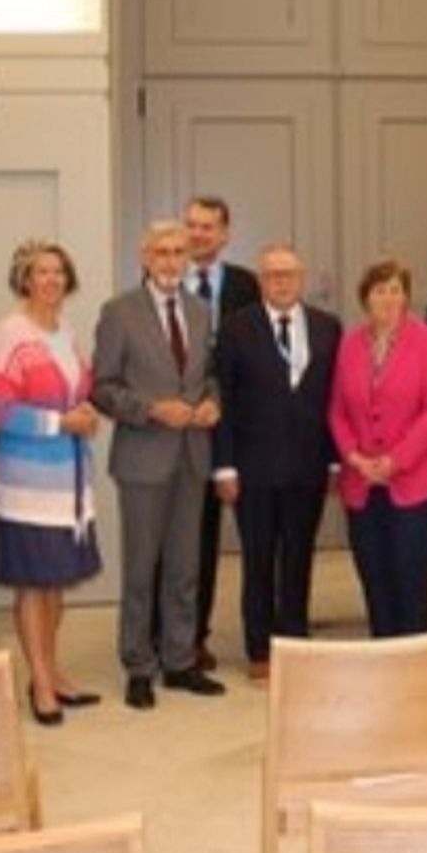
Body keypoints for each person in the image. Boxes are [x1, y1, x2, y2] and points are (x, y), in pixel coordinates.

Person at [91, 220, 226, 709]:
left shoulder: (198, 310)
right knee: (141, 568)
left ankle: (179, 660)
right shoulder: (119, 312)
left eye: (179, 252)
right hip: (142, 458)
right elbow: (102, 388)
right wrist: (150, 409)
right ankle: (138, 665)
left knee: (185, 567)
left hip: (192, 455)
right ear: (145, 257)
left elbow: (208, 375)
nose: (172, 261)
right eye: (162, 252)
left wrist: (212, 402)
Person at [0, 240, 103, 726]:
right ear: (25, 279)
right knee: (34, 584)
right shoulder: (11, 333)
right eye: (41, 272)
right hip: (29, 483)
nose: (51, 280)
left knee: (56, 584)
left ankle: (50, 672)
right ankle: (39, 685)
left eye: (58, 272)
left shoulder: (66, 331)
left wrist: (86, 413)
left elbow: (79, 394)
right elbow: (0, 411)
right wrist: (62, 423)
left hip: (70, 482)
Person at [213, 244, 340, 680]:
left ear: (301, 278)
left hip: (309, 466)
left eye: (288, 274)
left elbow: (335, 401)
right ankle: (260, 648)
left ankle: (295, 638)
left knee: (300, 556)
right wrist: (224, 466)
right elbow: (223, 401)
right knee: (259, 558)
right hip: (253, 469)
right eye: (272, 275)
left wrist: (337, 462)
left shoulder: (328, 327)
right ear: (261, 281)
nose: (281, 282)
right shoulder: (235, 328)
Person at [328, 259, 427, 637]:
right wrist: (353, 456)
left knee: (412, 573)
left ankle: (416, 659)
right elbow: (336, 411)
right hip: (362, 481)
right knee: (373, 571)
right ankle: (383, 650)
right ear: (365, 298)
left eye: (396, 290)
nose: (388, 298)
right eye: (380, 290)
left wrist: (394, 460)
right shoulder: (349, 344)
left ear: (407, 297)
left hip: (420, 478)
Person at [176, 194, 261, 672]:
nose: (198, 234)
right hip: (186, 428)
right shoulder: (163, 283)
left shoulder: (248, 285)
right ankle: (189, 637)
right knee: (193, 537)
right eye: (192, 226)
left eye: (208, 227)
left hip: (241, 427)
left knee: (252, 538)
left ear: (225, 233)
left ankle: (257, 633)